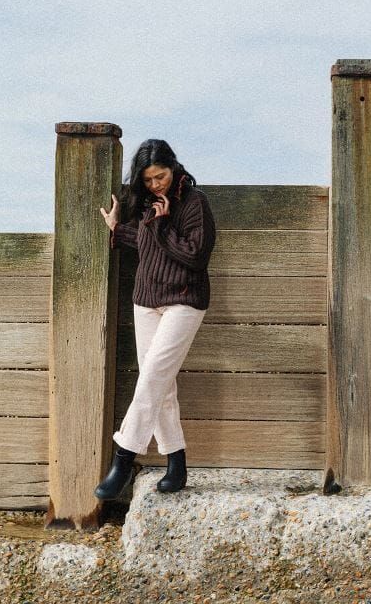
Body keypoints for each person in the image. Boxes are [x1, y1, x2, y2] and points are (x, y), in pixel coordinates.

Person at [94, 138, 216, 500]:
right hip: (146, 301)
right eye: (147, 180)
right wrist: (118, 229)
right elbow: (150, 245)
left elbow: (195, 255)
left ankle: (124, 457)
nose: (155, 185)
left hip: (184, 301)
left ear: (173, 167)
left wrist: (162, 226)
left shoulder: (195, 203)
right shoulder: (149, 204)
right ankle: (176, 463)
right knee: (160, 385)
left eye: (159, 177)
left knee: (152, 376)